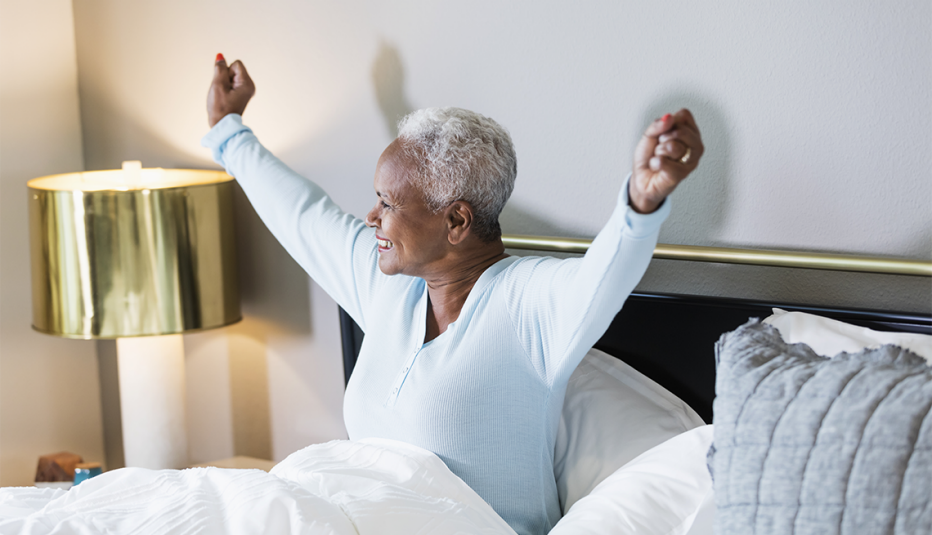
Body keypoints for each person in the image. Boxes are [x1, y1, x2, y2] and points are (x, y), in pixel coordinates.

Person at [204, 53, 703, 535]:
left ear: (457, 220)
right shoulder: (390, 285)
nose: (371, 217)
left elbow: (603, 276)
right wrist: (229, 129)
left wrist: (641, 203)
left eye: (387, 202)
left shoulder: (528, 304)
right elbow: (304, 217)